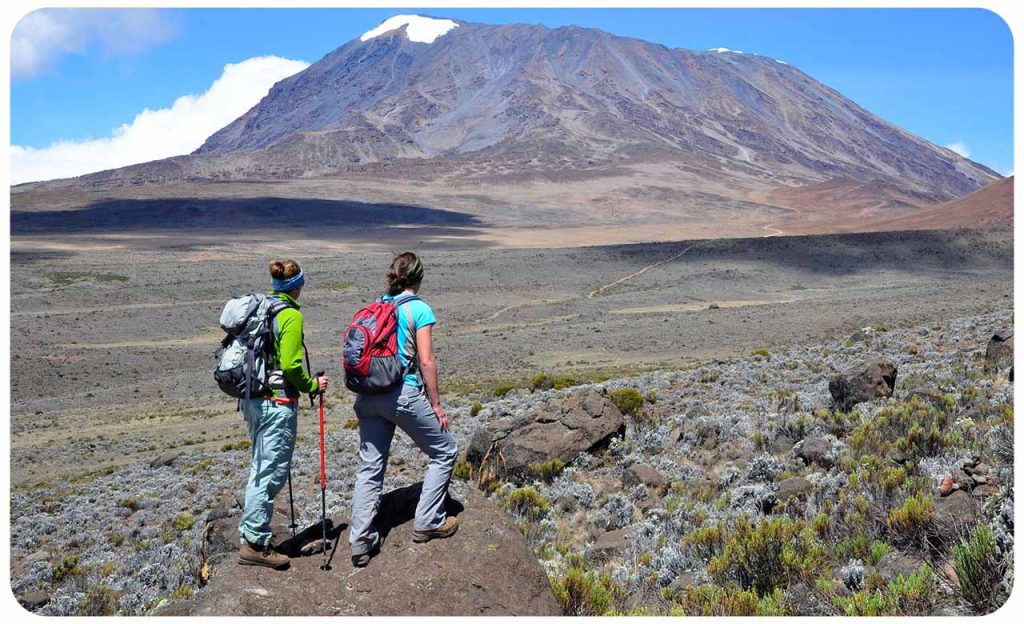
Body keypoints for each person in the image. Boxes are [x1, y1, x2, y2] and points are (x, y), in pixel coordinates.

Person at [349, 252, 459, 567]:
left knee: (370, 467)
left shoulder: (377, 305)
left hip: (368, 396)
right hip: (402, 394)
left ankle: (359, 541)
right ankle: (428, 521)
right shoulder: (418, 308)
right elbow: (426, 361)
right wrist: (436, 404)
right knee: (445, 451)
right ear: (419, 278)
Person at [238, 259, 329, 569]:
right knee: (270, 473)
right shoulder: (289, 315)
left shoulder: (262, 309)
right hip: (276, 403)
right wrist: (312, 385)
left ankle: (252, 536)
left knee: (260, 467)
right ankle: (255, 545)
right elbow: (291, 365)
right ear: (297, 286)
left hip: (252, 401)